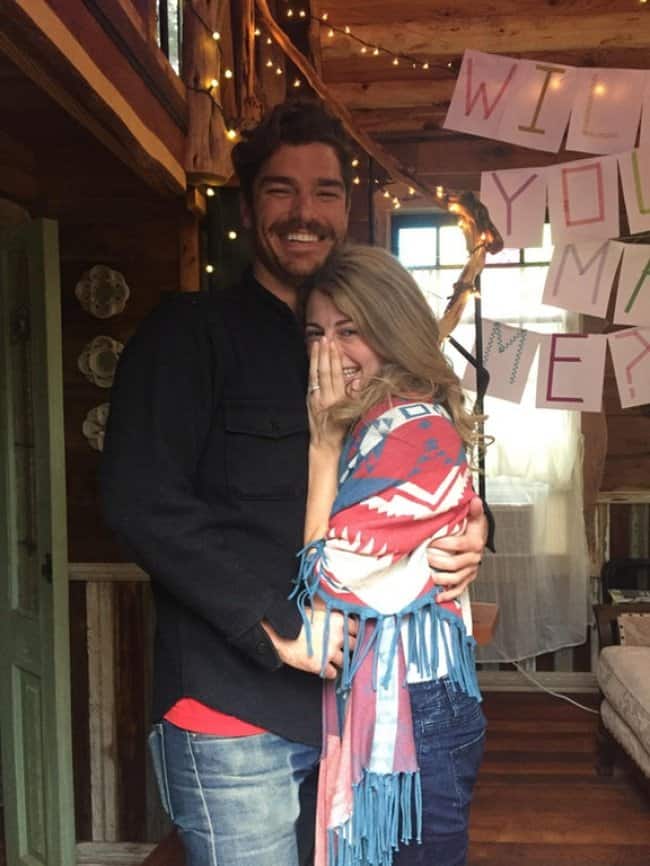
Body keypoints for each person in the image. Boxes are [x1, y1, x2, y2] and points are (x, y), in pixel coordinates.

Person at [100, 98, 487, 866]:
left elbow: (420, 465)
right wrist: (277, 627)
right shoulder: (188, 333)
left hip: (359, 711)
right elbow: (141, 500)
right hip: (234, 711)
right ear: (248, 209)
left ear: (347, 209)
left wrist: (473, 532)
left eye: (325, 192)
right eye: (281, 190)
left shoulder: (371, 345)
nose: (304, 212)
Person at [298, 243, 486, 866]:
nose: (328, 351)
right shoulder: (372, 422)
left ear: (391, 329)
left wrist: (322, 450)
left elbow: (328, 581)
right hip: (406, 697)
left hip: (419, 704)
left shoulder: (411, 430)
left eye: (349, 330)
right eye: (316, 333)